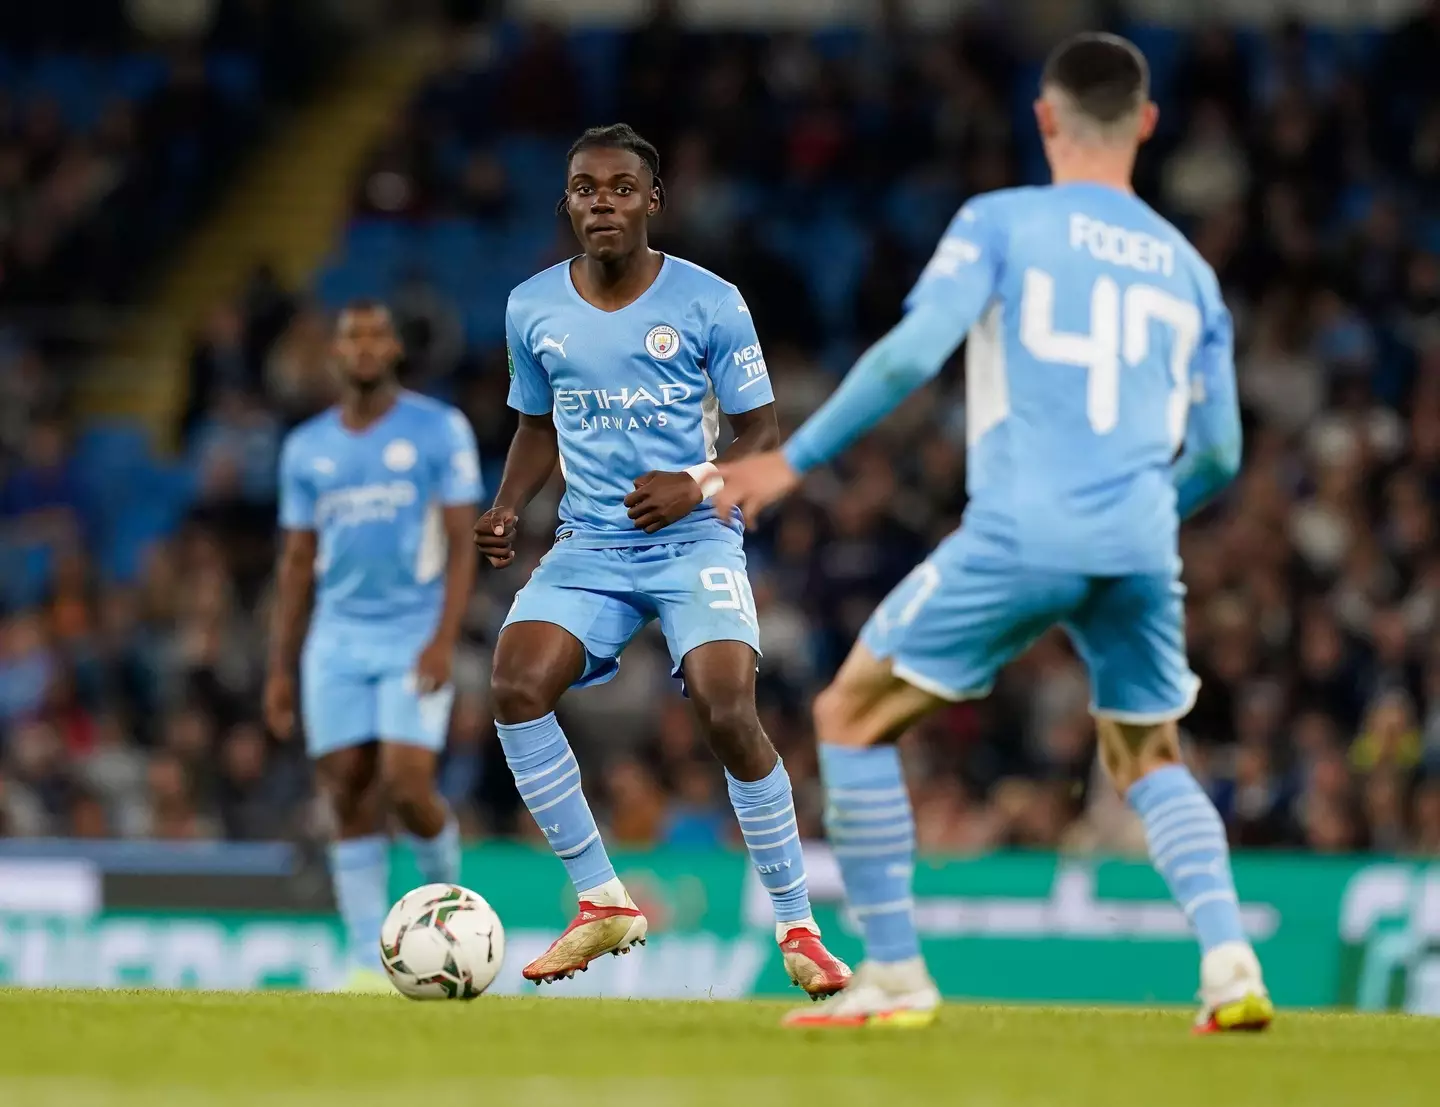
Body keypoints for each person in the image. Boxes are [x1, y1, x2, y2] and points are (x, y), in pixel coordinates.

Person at [715, 34, 1268, 1033]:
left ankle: (894, 975)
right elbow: (1223, 452)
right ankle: (1231, 963)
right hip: (1142, 543)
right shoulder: (1191, 271)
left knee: (849, 715)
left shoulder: (1002, 222)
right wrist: (1139, 514)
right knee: (1149, 752)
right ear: (1144, 125)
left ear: (1045, 117)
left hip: (1025, 529)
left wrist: (788, 463)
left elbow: (911, 354)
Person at [475, 123, 850, 996]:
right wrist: (504, 506)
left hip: (694, 537)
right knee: (513, 684)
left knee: (726, 705)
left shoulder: (711, 300)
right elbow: (536, 425)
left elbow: (761, 434)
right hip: (591, 545)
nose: (600, 201)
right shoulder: (531, 306)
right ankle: (603, 900)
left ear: (652, 200)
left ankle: (799, 925)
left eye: (618, 187)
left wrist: (695, 483)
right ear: (566, 201)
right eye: (583, 188)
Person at [265, 301, 481, 991]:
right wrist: (281, 666)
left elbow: (459, 543)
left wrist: (445, 638)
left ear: (394, 348)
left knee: (407, 782)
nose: (362, 347)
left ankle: (452, 913)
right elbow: (297, 562)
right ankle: (364, 957)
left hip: (414, 633)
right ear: (335, 352)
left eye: (375, 334)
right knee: (348, 788)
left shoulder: (438, 429)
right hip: (334, 640)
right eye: (350, 335)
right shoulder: (306, 447)